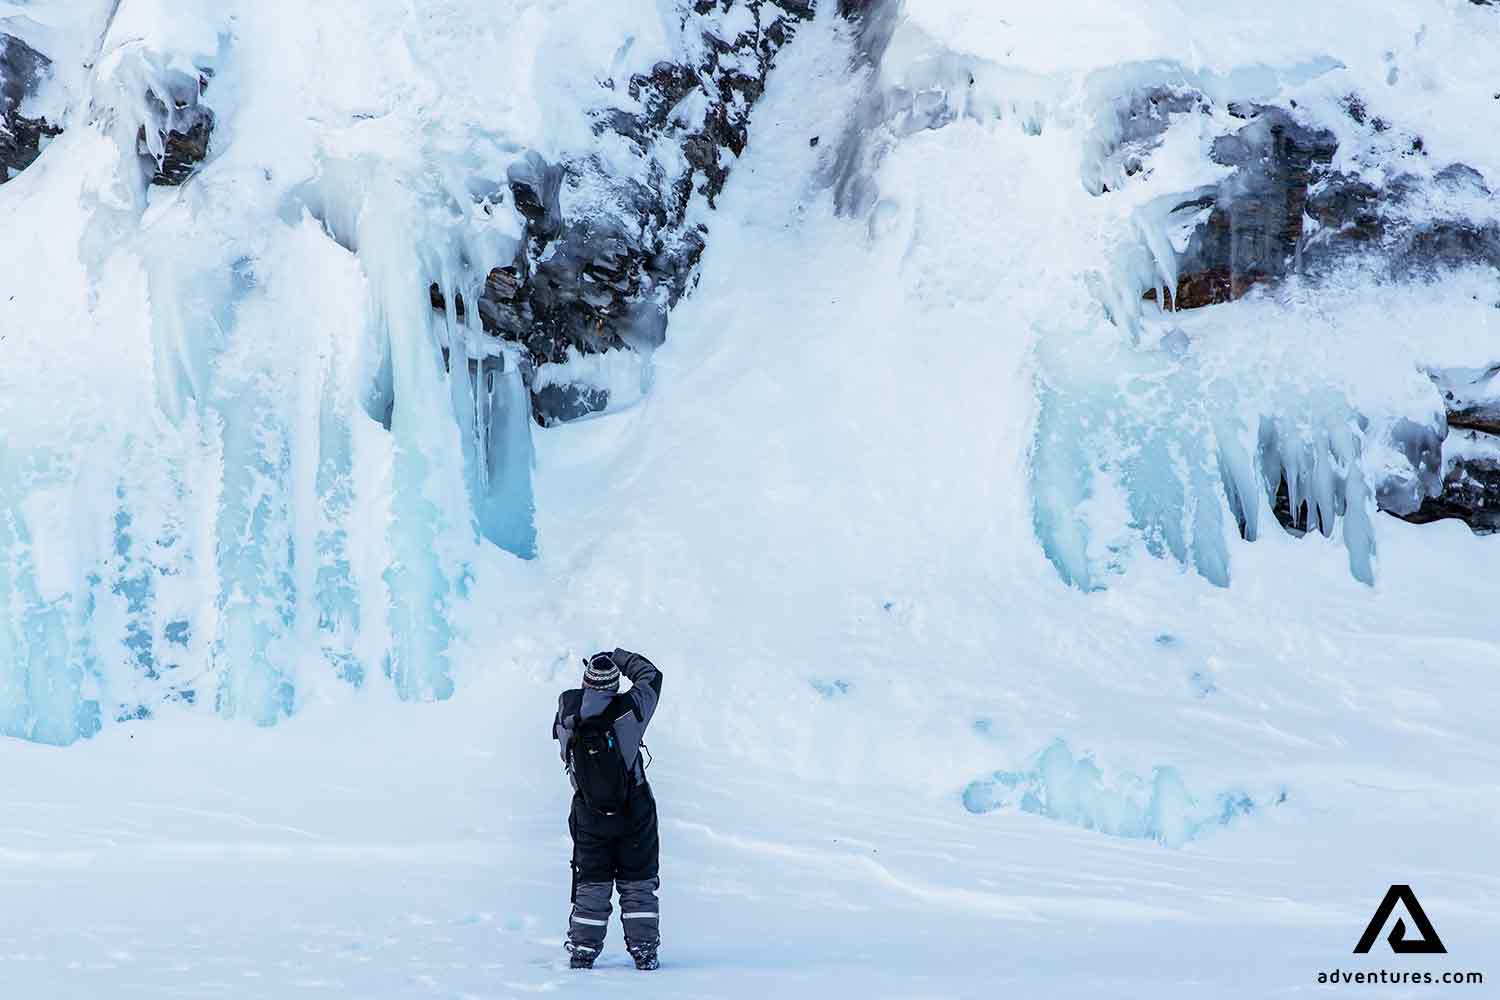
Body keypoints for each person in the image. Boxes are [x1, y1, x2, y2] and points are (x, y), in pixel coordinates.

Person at [552, 648, 663, 970]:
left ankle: (583, 951)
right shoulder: (630, 709)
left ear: (586, 681)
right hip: (635, 810)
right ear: (615, 685)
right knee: (638, 882)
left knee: (592, 882)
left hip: (588, 813)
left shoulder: (566, 710)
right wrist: (618, 657)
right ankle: (644, 951)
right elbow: (652, 676)